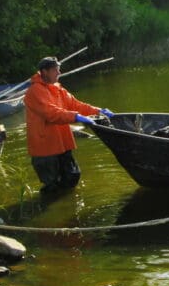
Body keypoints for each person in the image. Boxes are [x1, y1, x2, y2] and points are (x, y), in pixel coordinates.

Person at [24, 56, 115, 192]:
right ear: (44, 71)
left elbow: (76, 104)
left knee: (72, 177)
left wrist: (99, 110)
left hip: (62, 143)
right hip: (45, 148)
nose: (59, 73)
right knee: (52, 187)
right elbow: (51, 113)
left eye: (58, 69)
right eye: (55, 70)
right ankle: (49, 210)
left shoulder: (57, 88)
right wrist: (77, 117)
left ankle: (65, 207)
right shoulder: (35, 91)